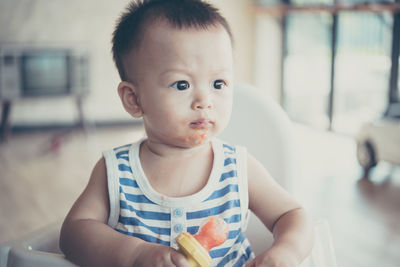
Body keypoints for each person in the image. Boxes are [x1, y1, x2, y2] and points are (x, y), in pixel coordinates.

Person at [59, 0, 314, 266]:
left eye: (218, 83)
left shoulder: (237, 168)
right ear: (134, 99)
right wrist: (134, 254)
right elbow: (74, 232)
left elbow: (293, 214)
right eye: (181, 84)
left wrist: (287, 251)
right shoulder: (115, 171)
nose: (205, 100)